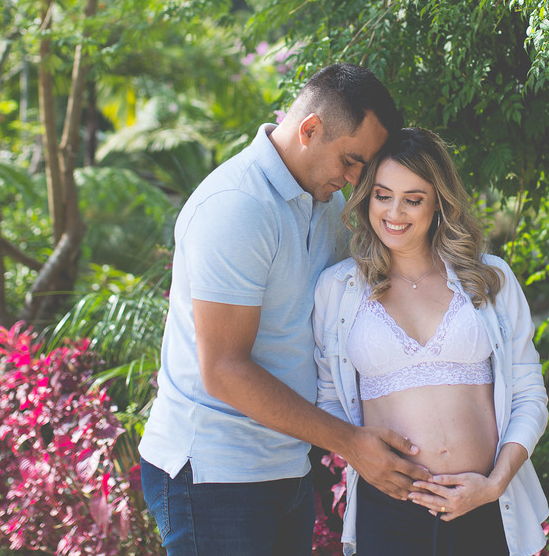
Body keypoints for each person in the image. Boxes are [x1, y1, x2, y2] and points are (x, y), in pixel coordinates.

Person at [139, 64, 430, 556]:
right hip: (213, 475)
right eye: (352, 160)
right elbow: (225, 370)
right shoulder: (238, 206)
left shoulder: (323, 202)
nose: (356, 178)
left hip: (285, 464)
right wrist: (352, 442)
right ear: (310, 129)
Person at [313, 128, 549, 556]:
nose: (394, 212)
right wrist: (360, 456)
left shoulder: (489, 278)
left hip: (483, 506)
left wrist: (495, 485)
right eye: (383, 195)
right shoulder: (338, 288)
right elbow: (329, 398)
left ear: (438, 200)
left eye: (413, 199)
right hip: (388, 511)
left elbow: (530, 393)